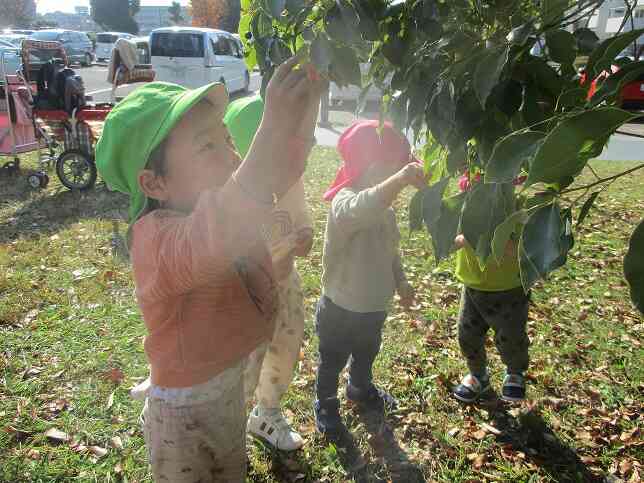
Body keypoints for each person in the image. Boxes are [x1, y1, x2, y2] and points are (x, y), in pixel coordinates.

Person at [95, 57, 325, 482]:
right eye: (209, 146)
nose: (232, 153)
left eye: (227, 138)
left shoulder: (222, 200)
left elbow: (278, 174)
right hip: (182, 412)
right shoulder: (156, 239)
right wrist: (270, 127)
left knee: (230, 471)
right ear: (154, 184)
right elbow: (215, 234)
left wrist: (302, 115)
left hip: (228, 386)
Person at [314, 120, 425, 437]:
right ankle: (326, 401)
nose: (397, 175)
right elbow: (360, 209)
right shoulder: (344, 201)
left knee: (366, 353)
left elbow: (391, 252)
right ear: (367, 164)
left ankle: (359, 387)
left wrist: (401, 281)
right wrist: (400, 180)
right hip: (339, 308)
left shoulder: (386, 213)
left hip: (374, 308)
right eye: (391, 167)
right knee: (331, 361)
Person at [223, 94, 314, 451]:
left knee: (285, 348)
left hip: (287, 286)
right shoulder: (234, 197)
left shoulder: (291, 180)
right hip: (248, 297)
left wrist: (303, 238)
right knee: (246, 363)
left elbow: (299, 220)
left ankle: (267, 410)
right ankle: (230, 423)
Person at [452, 174, 530, 404]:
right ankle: (478, 376)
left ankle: (515, 373)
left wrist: (504, 245)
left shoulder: (517, 207)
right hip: (474, 287)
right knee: (467, 335)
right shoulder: (465, 206)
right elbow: (451, 238)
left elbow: (525, 247)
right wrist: (463, 239)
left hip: (509, 289)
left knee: (511, 337)